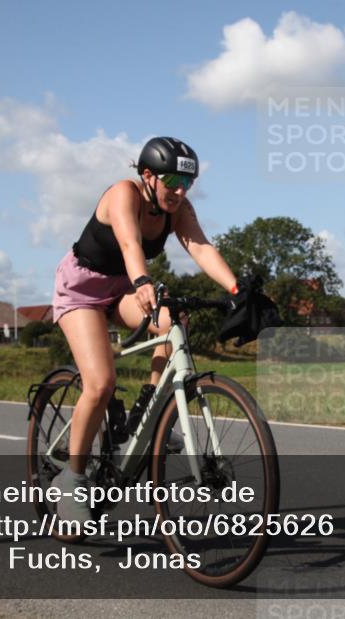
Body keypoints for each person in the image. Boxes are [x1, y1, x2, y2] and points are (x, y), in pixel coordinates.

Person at [50, 136, 239, 522]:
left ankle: (147, 411)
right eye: (174, 182)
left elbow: (201, 247)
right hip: (82, 291)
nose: (181, 192)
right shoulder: (124, 194)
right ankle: (72, 478)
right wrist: (142, 281)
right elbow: (129, 242)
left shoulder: (178, 209)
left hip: (123, 290)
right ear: (148, 175)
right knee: (101, 383)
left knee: (174, 322)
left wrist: (238, 290)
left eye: (188, 183)